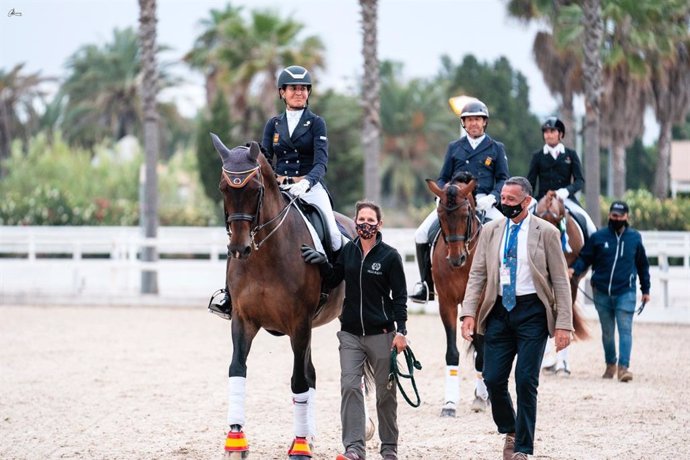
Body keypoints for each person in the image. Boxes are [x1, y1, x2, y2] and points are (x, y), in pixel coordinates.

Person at [209, 64, 342, 320]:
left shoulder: (316, 124)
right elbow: (266, 158)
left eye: (303, 89)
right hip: (279, 188)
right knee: (243, 229)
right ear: (282, 92)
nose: (299, 93)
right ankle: (228, 294)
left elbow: (321, 162)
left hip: (309, 187)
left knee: (335, 234)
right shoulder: (274, 124)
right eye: (293, 88)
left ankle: (332, 286)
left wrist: (306, 182)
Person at [460, 176, 573, 460]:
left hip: (532, 313)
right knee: (493, 378)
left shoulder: (546, 232)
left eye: (511, 199)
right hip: (498, 312)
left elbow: (560, 280)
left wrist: (564, 325)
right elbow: (478, 275)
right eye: (502, 198)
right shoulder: (490, 230)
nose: (504, 203)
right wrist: (469, 312)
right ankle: (510, 427)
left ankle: (522, 447)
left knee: (525, 380)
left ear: (526, 202)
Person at [301, 200, 408, 460]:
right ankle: (354, 449)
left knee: (385, 393)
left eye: (371, 221)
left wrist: (401, 331)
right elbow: (335, 277)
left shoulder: (390, 256)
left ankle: (389, 448)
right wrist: (321, 263)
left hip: (382, 334)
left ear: (379, 224)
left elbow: (400, 297)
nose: (365, 225)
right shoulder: (348, 251)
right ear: (356, 221)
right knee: (350, 387)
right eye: (361, 220)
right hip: (349, 334)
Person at [410, 99, 510, 302]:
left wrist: (493, 197)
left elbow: (503, 178)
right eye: (469, 120)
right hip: (455, 202)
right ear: (464, 123)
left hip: (484, 200)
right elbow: (443, 176)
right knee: (420, 234)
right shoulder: (454, 147)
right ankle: (426, 286)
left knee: (507, 234)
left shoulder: (495, 148)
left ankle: (506, 282)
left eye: (477, 120)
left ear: (484, 123)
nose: (473, 123)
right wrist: (443, 193)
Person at [569, 200, 651, 382]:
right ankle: (610, 364)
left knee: (625, 330)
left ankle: (623, 367)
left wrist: (646, 290)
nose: (617, 218)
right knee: (607, 332)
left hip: (626, 292)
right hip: (602, 292)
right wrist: (574, 269)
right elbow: (585, 257)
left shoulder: (635, 238)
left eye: (620, 216)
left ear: (626, 217)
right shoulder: (598, 237)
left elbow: (642, 265)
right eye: (614, 215)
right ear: (609, 216)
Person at [526, 116, 597, 237]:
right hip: (542, 199)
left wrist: (566, 191)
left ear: (561, 134)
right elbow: (530, 182)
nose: (548, 135)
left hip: (566, 199)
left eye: (552, 131)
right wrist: (529, 199)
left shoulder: (571, 154)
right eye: (546, 132)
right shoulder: (537, 156)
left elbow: (579, 180)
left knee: (590, 225)